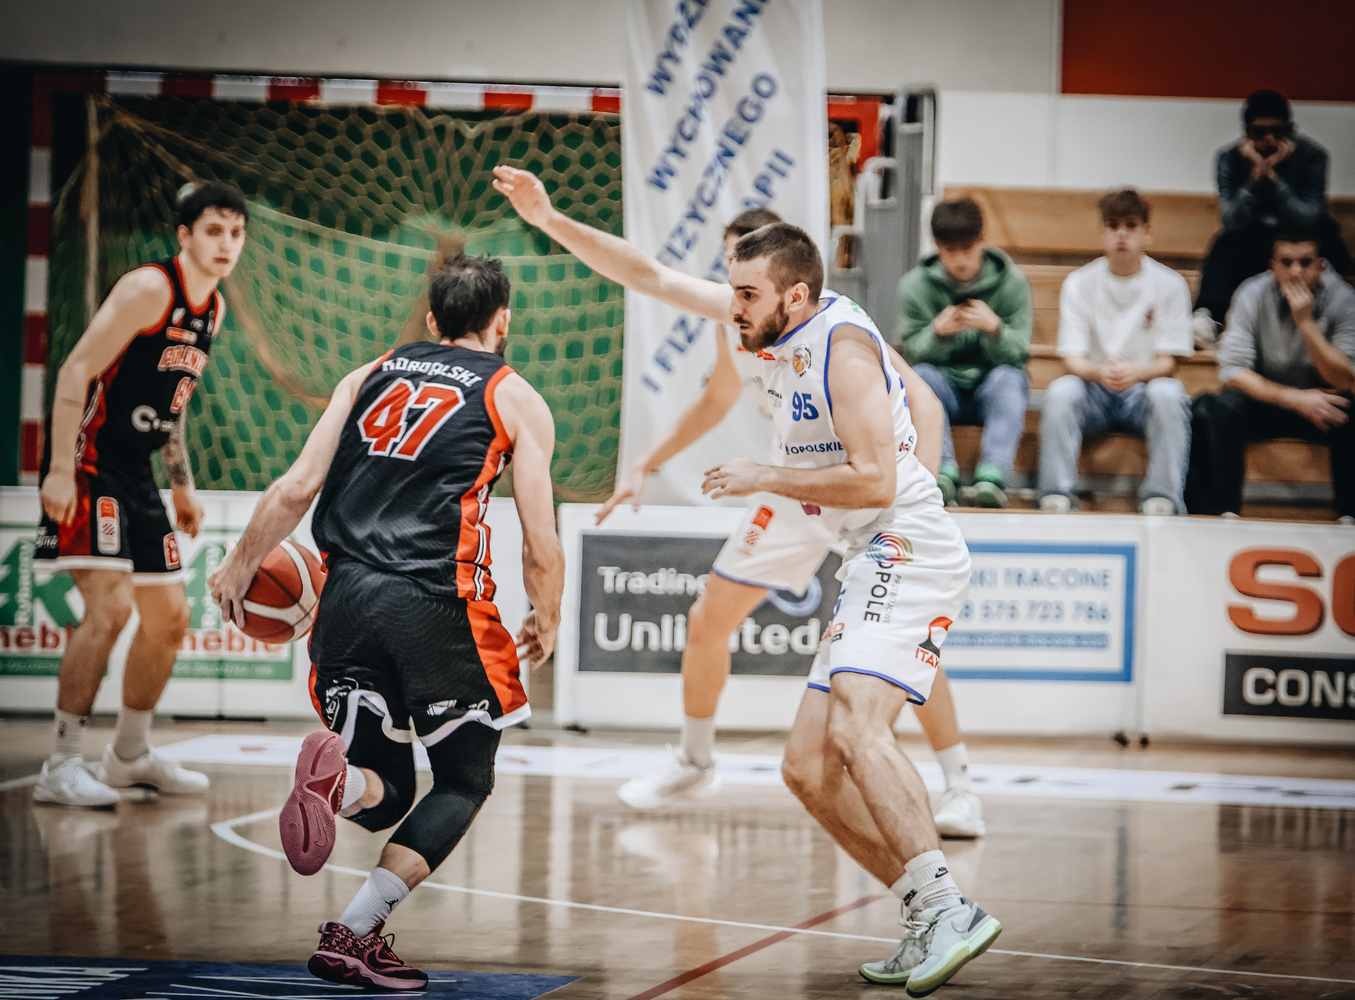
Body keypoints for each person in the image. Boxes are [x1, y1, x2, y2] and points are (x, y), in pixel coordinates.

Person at [494, 165, 1002, 993]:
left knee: (857, 728)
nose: (730, 309)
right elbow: (647, 275)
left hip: (902, 543)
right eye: (729, 290)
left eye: (744, 295)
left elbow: (876, 481)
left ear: (793, 295)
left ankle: (949, 895)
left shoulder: (843, 350)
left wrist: (765, 475)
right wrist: (548, 218)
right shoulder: (762, 321)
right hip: (856, 548)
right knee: (805, 770)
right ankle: (924, 908)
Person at [209, 254, 564, 990]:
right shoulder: (515, 396)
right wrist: (548, 616)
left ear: (431, 320)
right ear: (502, 321)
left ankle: (338, 791)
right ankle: (353, 930)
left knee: (388, 794)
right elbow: (541, 541)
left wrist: (240, 564)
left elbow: (296, 487)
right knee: (462, 781)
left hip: (343, 601)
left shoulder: (366, 375)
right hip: (437, 606)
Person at [578, 206, 984, 838]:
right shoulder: (737, 323)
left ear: (786, 285)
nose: (733, 292)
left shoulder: (838, 336)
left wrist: (916, 500)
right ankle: (695, 759)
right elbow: (710, 390)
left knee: (903, 646)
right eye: (728, 272)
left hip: (862, 497)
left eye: (744, 277)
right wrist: (645, 465)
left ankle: (959, 784)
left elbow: (924, 404)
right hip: (795, 494)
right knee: (709, 618)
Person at [33, 182, 248, 808]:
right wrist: (58, 468)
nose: (226, 244)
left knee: (170, 618)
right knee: (110, 610)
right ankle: (60, 764)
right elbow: (76, 369)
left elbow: (171, 405)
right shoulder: (151, 288)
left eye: (236, 233)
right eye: (213, 231)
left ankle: (128, 755)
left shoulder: (213, 309)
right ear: (185, 236)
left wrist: (181, 483)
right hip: (90, 461)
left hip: (137, 472)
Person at [1038, 190, 1194, 515]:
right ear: (1102, 232)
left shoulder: (1170, 284)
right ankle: (1055, 494)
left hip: (1143, 391)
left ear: (1147, 232)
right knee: (1060, 392)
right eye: (1113, 225)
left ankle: (1162, 497)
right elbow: (1072, 359)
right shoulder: (1079, 282)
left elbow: (1168, 362)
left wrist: (1135, 373)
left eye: (1131, 225)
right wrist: (1099, 372)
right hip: (1095, 389)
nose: (1122, 234)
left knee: (1169, 394)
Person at [1187, 233, 1355, 521]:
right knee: (1215, 408)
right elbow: (1233, 372)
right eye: (1286, 262)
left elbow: (1345, 379)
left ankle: (1350, 516)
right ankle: (1222, 512)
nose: (1296, 271)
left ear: (1321, 266)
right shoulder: (1251, 293)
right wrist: (1296, 399)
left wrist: (1305, 323)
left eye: (1305, 262)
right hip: (1269, 401)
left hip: (1324, 403)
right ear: (1272, 267)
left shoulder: (1344, 299)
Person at [898, 197, 1033, 508]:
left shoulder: (1013, 283)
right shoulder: (913, 286)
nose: (960, 260)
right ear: (936, 246)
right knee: (921, 376)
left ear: (982, 241)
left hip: (991, 385)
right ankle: (941, 471)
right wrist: (937, 334)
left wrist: (995, 329)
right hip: (943, 386)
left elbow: (1019, 354)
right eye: (950, 251)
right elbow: (912, 354)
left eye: (968, 249)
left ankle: (992, 477)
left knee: (1011, 378)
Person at [1193, 89, 1351, 343]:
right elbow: (1232, 220)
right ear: (1246, 132)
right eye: (1260, 132)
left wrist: (1273, 178)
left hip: (1304, 238)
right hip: (1252, 242)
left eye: (1278, 132)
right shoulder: (1229, 158)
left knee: (1327, 241)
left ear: (1290, 130)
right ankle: (1209, 317)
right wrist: (1255, 178)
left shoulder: (1312, 156)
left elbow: (1307, 218)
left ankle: (1337, 321)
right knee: (1224, 243)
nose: (1269, 139)